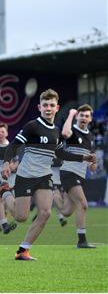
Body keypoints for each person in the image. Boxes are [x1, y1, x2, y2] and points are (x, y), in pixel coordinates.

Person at [0, 89, 96, 260]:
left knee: (45, 213)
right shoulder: (32, 126)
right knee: (21, 217)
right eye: (45, 105)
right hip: (26, 176)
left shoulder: (56, 131)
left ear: (57, 107)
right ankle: (5, 192)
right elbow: (13, 145)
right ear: (39, 107)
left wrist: (84, 157)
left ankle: (23, 250)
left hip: (44, 177)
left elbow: (62, 154)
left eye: (52, 105)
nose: (48, 108)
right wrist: (6, 163)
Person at [55, 105, 97, 248]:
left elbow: (91, 163)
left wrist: (93, 163)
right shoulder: (73, 131)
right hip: (69, 172)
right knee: (83, 204)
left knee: (66, 212)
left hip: (80, 175)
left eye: (87, 116)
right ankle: (82, 240)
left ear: (90, 119)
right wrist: (71, 114)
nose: (84, 118)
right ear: (77, 117)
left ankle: (53, 194)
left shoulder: (90, 136)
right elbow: (65, 133)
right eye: (81, 115)